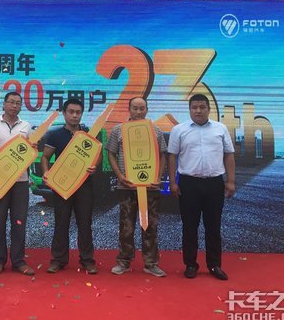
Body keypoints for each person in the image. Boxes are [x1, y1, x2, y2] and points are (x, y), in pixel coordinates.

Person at [168, 93, 236, 281]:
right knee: (189, 226)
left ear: (209, 109)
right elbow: (172, 156)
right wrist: (173, 182)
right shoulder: (179, 130)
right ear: (189, 109)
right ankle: (190, 264)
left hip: (214, 183)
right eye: (194, 107)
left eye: (202, 107)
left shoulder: (220, 128)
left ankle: (214, 265)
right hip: (188, 183)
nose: (198, 111)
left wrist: (231, 181)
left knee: (213, 226)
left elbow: (229, 155)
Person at [106, 97, 167, 277]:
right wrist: (120, 176)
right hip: (126, 187)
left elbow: (162, 155)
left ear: (147, 109)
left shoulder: (155, 130)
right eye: (135, 108)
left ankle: (151, 263)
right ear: (129, 109)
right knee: (126, 226)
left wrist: (157, 177)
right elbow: (111, 153)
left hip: (150, 188)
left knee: (150, 226)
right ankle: (123, 261)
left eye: (142, 108)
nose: (138, 112)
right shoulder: (118, 130)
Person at [42, 98, 100, 274]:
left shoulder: (89, 134)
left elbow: (98, 155)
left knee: (85, 223)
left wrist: (95, 166)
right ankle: (58, 260)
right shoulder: (55, 135)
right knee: (61, 223)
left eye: (78, 112)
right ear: (64, 113)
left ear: (81, 114)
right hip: (62, 186)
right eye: (71, 112)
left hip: (84, 186)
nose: (74, 115)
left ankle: (87, 260)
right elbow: (45, 157)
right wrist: (46, 173)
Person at [0, 92, 35, 276]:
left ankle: (18, 261)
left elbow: (30, 152)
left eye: (18, 103)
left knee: (19, 222)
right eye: (11, 102)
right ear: (4, 104)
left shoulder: (26, 126)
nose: (14, 106)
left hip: (20, 181)